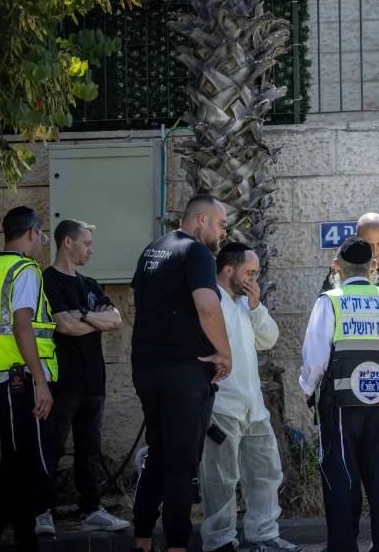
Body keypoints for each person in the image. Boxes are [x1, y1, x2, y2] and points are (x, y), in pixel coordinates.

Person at [300, 237, 379, 552]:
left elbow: (315, 359)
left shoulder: (329, 301)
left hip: (340, 407)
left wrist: (307, 388)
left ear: (336, 268)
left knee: (341, 482)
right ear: (373, 267)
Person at [130, 194, 233, 552]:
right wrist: (225, 353)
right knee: (180, 463)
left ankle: (142, 540)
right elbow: (207, 307)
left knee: (158, 453)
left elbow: (141, 307)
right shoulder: (197, 253)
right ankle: (177, 545)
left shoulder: (152, 250)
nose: (224, 232)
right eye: (221, 224)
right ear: (201, 220)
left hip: (147, 369)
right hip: (184, 372)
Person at [199, 242, 301, 552]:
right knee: (220, 480)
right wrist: (204, 405)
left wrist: (257, 307)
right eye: (250, 273)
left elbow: (269, 337)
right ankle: (219, 542)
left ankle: (264, 536)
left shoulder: (245, 303)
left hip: (254, 407)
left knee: (266, 473)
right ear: (228, 270)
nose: (253, 280)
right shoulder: (210, 300)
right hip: (222, 405)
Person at [34, 220, 129, 536]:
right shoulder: (48, 280)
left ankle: (91, 510)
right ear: (67, 243)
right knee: (52, 448)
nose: (91, 249)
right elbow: (64, 326)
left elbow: (115, 321)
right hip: (62, 382)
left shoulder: (90, 284)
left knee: (89, 449)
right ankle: (42, 512)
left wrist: (85, 315)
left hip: (94, 382)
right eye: (86, 243)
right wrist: (90, 320)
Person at [0, 206, 56, 552]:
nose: (41, 243)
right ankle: (23, 536)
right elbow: (22, 325)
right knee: (30, 467)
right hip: (18, 381)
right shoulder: (25, 269)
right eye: (42, 236)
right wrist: (41, 381)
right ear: (33, 232)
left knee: (14, 462)